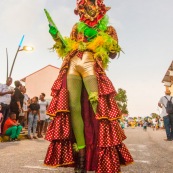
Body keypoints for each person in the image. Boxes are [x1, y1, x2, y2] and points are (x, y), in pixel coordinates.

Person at [44, 1, 133, 173]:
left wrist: (103, 41)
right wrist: (56, 37)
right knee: (73, 107)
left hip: (91, 64)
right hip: (73, 63)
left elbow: (113, 54)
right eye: (84, 8)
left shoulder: (109, 29)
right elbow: (66, 48)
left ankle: (102, 156)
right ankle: (82, 156)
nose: (88, 11)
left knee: (98, 108)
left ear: (100, 9)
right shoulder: (77, 27)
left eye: (92, 7)